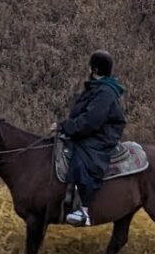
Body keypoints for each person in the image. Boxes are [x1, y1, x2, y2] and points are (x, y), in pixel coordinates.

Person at [52, 50, 127, 227]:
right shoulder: (97, 88)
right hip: (94, 130)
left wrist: (65, 126)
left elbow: (91, 121)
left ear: (94, 69)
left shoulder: (105, 93)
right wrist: (66, 127)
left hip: (102, 135)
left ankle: (83, 210)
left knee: (83, 156)